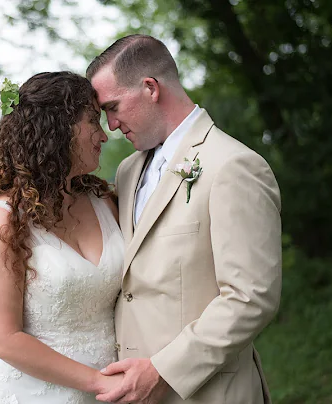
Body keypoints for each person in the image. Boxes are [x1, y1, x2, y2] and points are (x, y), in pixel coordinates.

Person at [86, 34, 282, 404]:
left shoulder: (234, 166)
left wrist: (163, 370)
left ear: (150, 88)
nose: (110, 125)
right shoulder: (128, 171)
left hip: (208, 392)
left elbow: (250, 298)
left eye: (113, 107)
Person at [0, 71, 126, 404]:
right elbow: (2, 338)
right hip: (26, 392)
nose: (104, 136)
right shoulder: (5, 221)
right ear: (57, 130)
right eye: (92, 122)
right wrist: (98, 383)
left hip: (114, 389)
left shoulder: (106, 203)